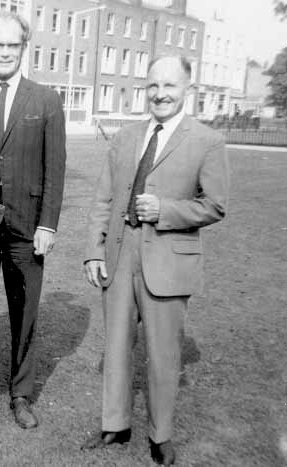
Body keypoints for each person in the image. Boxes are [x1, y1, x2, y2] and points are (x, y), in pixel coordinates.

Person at [81, 55, 229, 466]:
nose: (161, 94)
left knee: (163, 354)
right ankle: (115, 424)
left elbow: (215, 206)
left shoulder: (207, 141)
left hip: (168, 258)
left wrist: (165, 209)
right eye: (153, 86)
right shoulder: (126, 137)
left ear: (188, 90)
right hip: (119, 251)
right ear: (145, 88)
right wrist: (94, 250)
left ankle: (160, 435)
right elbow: (103, 199)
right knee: (116, 346)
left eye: (171, 86)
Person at [0, 10, 66, 430]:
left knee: (25, 313)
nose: (4, 52)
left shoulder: (46, 99)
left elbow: (54, 169)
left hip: (27, 229)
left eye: (12, 44)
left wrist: (48, 225)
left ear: (24, 47)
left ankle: (20, 394)